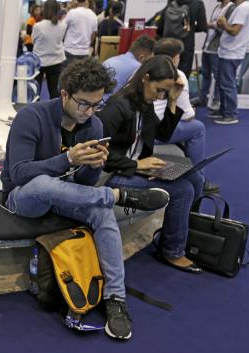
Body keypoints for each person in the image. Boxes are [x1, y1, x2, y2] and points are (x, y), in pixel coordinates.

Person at [1, 57, 170, 340]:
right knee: (44, 184)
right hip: (23, 198)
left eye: (96, 105)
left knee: (102, 212)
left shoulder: (93, 126)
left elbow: (82, 184)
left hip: (69, 194)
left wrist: (94, 168)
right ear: (64, 94)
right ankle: (116, 195)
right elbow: (19, 174)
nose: (90, 111)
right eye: (83, 104)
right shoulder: (32, 116)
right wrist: (67, 158)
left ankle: (116, 298)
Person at [98, 55, 204, 274]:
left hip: (134, 165)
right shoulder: (118, 106)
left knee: (195, 178)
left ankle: (187, 233)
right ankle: (173, 251)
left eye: (164, 92)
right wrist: (136, 165)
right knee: (183, 190)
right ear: (145, 79)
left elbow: (163, 134)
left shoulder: (143, 104)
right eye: (160, 90)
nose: (160, 97)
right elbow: (97, 153)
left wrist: (173, 101)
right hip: (110, 174)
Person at [153, 38, 220, 193]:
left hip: (140, 128)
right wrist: (191, 111)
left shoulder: (142, 69)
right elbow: (187, 117)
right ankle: (200, 179)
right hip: (156, 133)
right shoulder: (178, 76)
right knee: (198, 128)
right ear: (176, 57)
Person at [211, 0, 249, 124]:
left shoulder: (243, 8)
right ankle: (225, 111)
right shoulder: (241, 7)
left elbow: (234, 31)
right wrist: (222, 24)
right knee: (224, 84)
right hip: (228, 52)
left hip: (232, 53)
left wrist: (224, 24)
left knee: (227, 85)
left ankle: (230, 115)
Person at [158, 0, 207, 77]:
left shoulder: (172, 2)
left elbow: (160, 26)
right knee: (183, 76)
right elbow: (202, 26)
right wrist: (190, 28)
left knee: (166, 74)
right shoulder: (198, 3)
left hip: (168, 45)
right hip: (186, 46)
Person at [200, 0, 234, 110]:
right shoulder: (217, 7)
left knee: (218, 77)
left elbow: (226, 28)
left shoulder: (231, 8)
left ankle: (216, 100)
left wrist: (211, 25)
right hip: (207, 46)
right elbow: (213, 24)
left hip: (218, 48)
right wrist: (209, 25)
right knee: (205, 74)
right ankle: (202, 98)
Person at [32, 0, 66, 99]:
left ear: (45, 10)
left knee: (36, 92)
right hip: (56, 61)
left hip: (39, 62)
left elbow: (34, 40)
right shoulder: (63, 25)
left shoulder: (38, 26)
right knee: (54, 92)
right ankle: (55, 113)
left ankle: (35, 112)